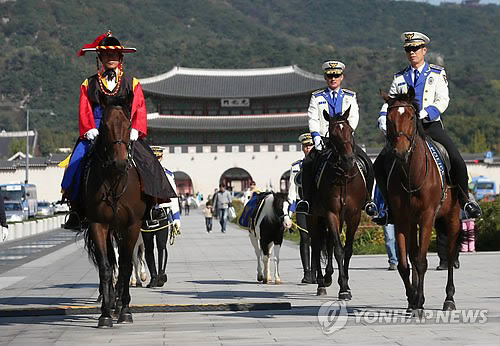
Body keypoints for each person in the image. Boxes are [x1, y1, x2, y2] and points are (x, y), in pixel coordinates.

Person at [61, 30, 176, 230]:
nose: (111, 58)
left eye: (114, 55)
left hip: (124, 130)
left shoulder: (132, 83)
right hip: (96, 129)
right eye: (107, 55)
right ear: (100, 57)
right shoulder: (88, 83)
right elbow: (84, 108)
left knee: (149, 161)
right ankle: (76, 209)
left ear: (120, 57)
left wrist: (135, 130)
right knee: (76, 163)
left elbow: (140, 107)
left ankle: (152, 206)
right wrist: (89, 129)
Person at [374, 31, 481, 223]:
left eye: (415, 48)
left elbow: (443, 100)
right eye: (408, 49)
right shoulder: (399, 78)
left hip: (430, 125)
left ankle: (466, 201)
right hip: (405, 130)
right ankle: (386, 207)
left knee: (456, 159)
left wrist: (427, 112)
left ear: (424, 50)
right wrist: (383, 118)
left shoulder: (437, 73)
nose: (412, 52)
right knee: (379, 164)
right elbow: (388, 103)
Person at [297, 60, 377, 217]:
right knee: (307, 164)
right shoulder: (317, 97)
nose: (333, 78)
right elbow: (313, 118)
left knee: (367, 162)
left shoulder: (350, 96)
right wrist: (316, 137)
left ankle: (368, 200)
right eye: (330, 76)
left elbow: (354, 117)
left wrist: (347, 135)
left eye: (336, 75)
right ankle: (307, 200)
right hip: (325, 141)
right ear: (326, 78)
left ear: (342, 77)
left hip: (345, 141)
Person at [141, 146, 181, 287]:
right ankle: (153, 275)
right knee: (148, 247)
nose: (156, 160)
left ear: (161, 158)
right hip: (146, 215)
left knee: (161, 246)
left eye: (158, 158)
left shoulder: (167, 175)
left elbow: (173, 196)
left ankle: (161, 273)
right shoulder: (142, 174)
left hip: (162, 214)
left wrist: (176, 218)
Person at [286, 133, 316, 283]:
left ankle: (316, 272)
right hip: (302, 205)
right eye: (305, 146)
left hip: (318, 206)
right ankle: (307, 272)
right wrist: (289, 213)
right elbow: (292, 189)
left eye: (310, 145)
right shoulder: (296, 167)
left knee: (318, 239)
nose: (308, 148)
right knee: (305, 238)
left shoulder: (321, 165)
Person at [373, 185, 398, 270]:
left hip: (400, 212)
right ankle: (393, 261)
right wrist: (377, 210)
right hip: (385, 212)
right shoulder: (382, 177)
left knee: (401, 238)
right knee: (389, 238)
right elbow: (377, 195)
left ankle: (402, 259)